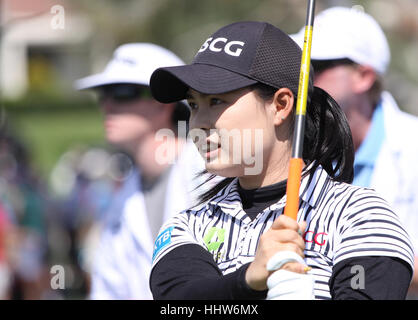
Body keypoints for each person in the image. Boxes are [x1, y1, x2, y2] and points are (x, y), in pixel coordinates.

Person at [148, 21, 414, 300]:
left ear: (281, 105)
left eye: (216, 101)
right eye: (193, 105)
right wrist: (248, 281)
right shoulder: (186, 226)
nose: (198, 125)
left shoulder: (362, 216)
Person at [292, 6, 418, 297]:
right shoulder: (288, 146)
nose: (301, 78)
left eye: (315, 67)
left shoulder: (412, 145)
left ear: (363, 75)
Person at [74, 43, 207, 299]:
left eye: (123, 93)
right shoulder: (121, 198)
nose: (106, 106)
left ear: (164, 102)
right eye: (103, 95)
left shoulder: (211, 176)